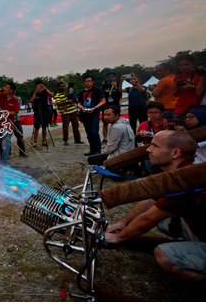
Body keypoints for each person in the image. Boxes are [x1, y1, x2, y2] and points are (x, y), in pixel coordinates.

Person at [105, 131, 206, 283]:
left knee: (163, 256)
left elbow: (149, 219)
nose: (148, 150)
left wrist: (118, 237)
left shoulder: (185, 181)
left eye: (155, 146)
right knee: (167, 218)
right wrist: (122, 222)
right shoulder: (183, 172)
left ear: (175, 153)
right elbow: (150, 202)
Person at [77, 75, 106, 156]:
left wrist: (95, 107)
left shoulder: (97, 90)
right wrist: (82, 108)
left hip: (94, 112)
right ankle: (92, 148)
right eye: (86, 81)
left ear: (92, 82)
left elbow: (103, 101)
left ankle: (97, 149)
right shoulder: (82, 92)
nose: (87, 83)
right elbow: (78, 103)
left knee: (94, 131)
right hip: (85, 113)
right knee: (88, 132)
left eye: (89, 81)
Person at [173, 53, 201, 122]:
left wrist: (192, 87)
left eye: (187, 64)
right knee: (176, 128)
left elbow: (202, 91)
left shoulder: (199, 75)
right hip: (180, 108)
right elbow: (174, 94)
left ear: (193, 64)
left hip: (196, 107)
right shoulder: (177, 78)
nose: (184, 67)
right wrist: (177, 88)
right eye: (181, 65)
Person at [30, 81, 54, 148]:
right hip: (37, 111)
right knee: (36, 127)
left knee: (44, 126)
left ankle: (44, 140)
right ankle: (35, 141)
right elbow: (31, 101)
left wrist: (45, 88)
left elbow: (51, 95)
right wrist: (36, 92)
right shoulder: (34, 93)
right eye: (39, 86)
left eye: (41, 86)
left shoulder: (45, 92)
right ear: (36, 86)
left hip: (45, 111)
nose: (40, 87)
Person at [101, 70, 122, 145]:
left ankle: (116, 137)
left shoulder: (118, 84)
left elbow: (120, 93)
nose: (111, 78)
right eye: (109, 76)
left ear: (115, 77)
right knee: (105, 122)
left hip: (115, 105)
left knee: (116, 122)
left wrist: (116, 87)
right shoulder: (105, 85)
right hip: (106, 105)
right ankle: (105, 138)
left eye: (112, 76)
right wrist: (103, 85)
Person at [12, 89, 27, 157]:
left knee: (20, 136)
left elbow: (16, 108)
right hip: (7, 120)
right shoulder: (4, 98)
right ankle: (7, 153)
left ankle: (22, 152)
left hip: (16, 120)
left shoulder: (18, 98)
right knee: (6, 138)